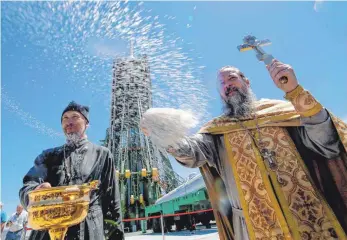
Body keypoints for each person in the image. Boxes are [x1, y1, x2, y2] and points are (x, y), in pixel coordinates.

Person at [142, 59, 347, 240]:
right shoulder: (216, 131)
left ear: (246, 82)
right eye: (222, 84)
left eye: (231, 78)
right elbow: (192, 153)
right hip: (252, 225)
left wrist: (294, 91)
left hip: (308, 214)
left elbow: (327, 145)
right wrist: (166, 135)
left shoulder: (281, 112)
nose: (227, 85)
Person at [19, 101, 124, 240]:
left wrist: (116, 236)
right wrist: (33, 194)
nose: (69, 122)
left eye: (75, 117)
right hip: (48, 230)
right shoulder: (49, 156)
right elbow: (27, 186)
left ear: (87, 124)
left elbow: (112, 201)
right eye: (65, 118)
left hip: (88, 231)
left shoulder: (102, 155)